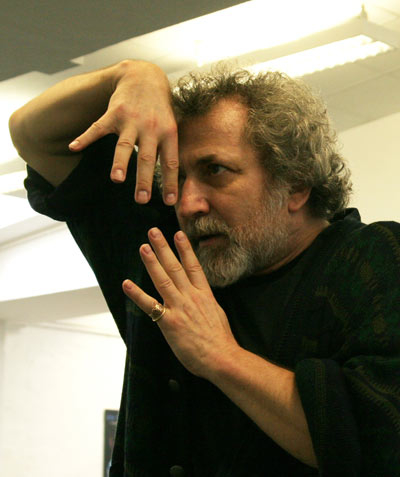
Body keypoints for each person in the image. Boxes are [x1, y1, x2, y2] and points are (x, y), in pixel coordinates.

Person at [9, 59, 400, 476]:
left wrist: (219, 355)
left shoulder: (374, 260)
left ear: (296, 184)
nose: (187, 203)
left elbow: (378, 444)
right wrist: (129, 76)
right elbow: (34, 137)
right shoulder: (162, 249)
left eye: (216, 171)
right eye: (177, 176)